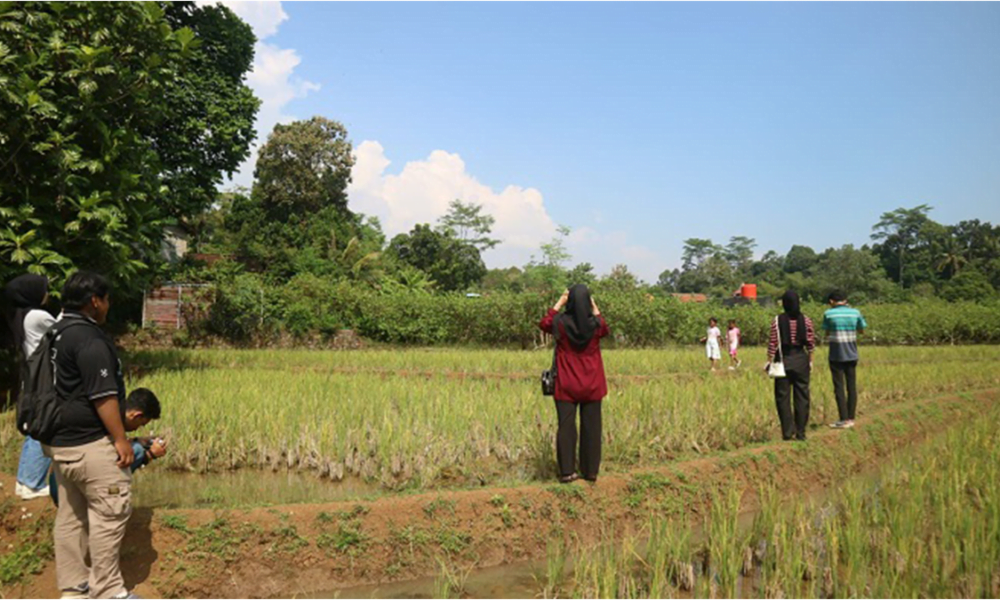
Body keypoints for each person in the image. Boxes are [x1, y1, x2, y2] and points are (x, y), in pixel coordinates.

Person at [41, 271, 138, 600]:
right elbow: (103, 395)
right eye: (107, 300)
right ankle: (108, 591)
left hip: (61, 445)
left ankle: (74, 589)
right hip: (91, 445)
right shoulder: (89, 339)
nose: (108, 306)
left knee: (70, 516)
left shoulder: (54, 333)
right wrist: (121, 439)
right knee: (110, 512)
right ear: (94, 301)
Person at [538, 285, 609, 484]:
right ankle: (590, 471)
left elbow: (544, 323)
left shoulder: (560, 323)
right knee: (592, 428)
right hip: (593, 384)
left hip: (566, 384)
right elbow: (605, 327)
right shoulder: (596, 325)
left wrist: (559, 303)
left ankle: (567, 472)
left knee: (566, 427)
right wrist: (594, 308)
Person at [49, 388, 167, 506]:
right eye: (141, 424)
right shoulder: (112, 424)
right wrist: (149, 455)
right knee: (137, 451)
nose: (138, 428)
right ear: (136, 415)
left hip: (60, 484)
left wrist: (137, 440)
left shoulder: (104, 415)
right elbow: (117, 460)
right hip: (69, 495)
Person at [4, 274, 57, 500]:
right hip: (42, 380)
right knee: (44, 426)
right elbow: (64, 330)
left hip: (30, 379)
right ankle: (33, 483)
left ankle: (25, 482)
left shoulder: (20, 315)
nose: (48, 293)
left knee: (34, 425)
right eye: (44, 289)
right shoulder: (37, 316)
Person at [766, 291, 815, 441]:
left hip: (783, 359)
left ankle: (787, 432)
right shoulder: (806, 320)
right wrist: (810, 361)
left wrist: (769, 361)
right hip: (801, 358)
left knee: (782, 397)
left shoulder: (777, 320)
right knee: (802, 396)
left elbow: (773, 343)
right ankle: (801, 432)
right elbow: (811, 344)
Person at [822, 290, 868, 429]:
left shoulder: (828, 314)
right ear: (845, 300)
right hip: (852, 353)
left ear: (831, 301)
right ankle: (851, 418)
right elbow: (861, 330)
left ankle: (843, 418)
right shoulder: (855, 312)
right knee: (851, 386)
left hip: (836, 354)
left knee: (839, 387)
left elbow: (827, 332)